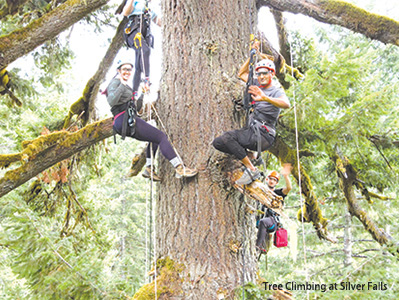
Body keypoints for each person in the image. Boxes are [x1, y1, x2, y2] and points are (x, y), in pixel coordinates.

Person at [106, 60, 198, 180]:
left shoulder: (126, 87)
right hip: (123, 119)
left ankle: (149, 168)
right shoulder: (115, 83)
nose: (127, 72)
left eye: (129, 70)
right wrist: (122, 84)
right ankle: (179, 168)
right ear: (118, 71)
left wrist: (143, 94)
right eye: (124, 69)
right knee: (161, 137)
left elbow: (136, 108)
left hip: (126, 120)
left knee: (154, 139)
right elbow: (112, 101)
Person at [212, 44, 290, 185]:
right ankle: (248, 156)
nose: (261, 76)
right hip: (251, 131)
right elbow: (241, 74)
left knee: (228, 137)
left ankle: (251, 168)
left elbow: (286, 104)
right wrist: (252, 55)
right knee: (218, 143)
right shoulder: (256, 84)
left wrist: (264, 97)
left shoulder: (276, 91)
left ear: (272, 74)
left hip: (263, 135)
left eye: (265, 73)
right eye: (259, 73)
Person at [122, 0, 161, 98]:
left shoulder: (148, 8)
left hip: (143, 33)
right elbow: (126, 12)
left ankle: (134, 93)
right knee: (145, 50)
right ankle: (147, 79)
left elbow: (159, 22)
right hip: (133, 31)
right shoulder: (135, 2)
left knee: (139, 63)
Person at [256, 164, 292, 252]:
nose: (272, 181)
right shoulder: (261, 192)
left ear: (276, 183)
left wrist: (286, 176)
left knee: (263, 222)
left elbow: (289, 188)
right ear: (267, 180)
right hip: (260, 220)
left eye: (274, 180)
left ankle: (258, 245)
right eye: (271, 179)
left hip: (272, 221)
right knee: (259, 221)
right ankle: (261, 243)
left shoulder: (278, 193)